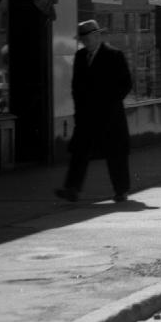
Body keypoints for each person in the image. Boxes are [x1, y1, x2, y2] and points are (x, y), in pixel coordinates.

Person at [56, 19, 134, 203]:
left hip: (110, 116)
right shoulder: (81, 57)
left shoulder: (114, 56)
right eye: (82, 39)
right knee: (79, 153)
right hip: (87, 116)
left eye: (87, 38)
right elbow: (76, 87)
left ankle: (121, 191)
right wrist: (78, 111)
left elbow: (126, 84)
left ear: (97, 36)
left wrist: (110, 102)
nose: (84, 42)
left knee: (115, 155)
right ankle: (72, 189)